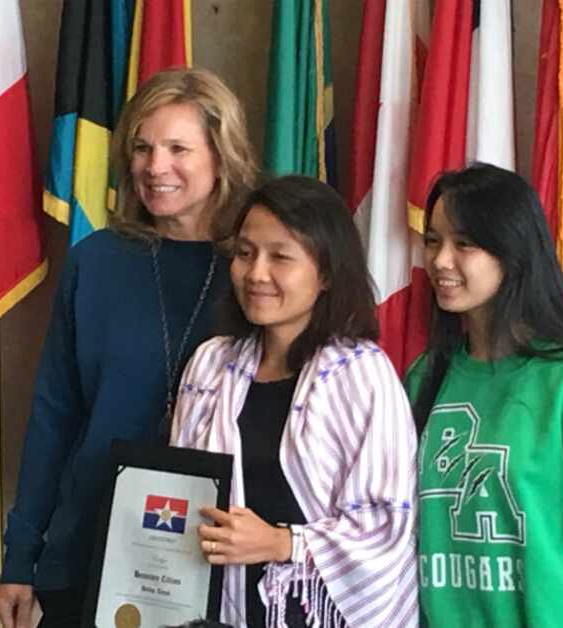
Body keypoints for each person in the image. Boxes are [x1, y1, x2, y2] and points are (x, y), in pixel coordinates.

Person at [0, 67, 258, 628]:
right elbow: (54, 416)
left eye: (177, 148)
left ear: (222, 155)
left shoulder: (259, 272)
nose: (154, 167)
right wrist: (20, 558)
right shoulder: (97, 261)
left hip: (214, 567)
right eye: (142, 147)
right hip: (85, 553)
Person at [407, 163, 563, 628]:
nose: (441, 260)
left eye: (464, 243)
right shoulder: (424, 376)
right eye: (433, 240)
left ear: (513, 252)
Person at [171, 176, 418, 628]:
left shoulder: (361, 374)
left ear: (325, 272)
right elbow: (179, 494)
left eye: (280, 257)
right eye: (245, 254)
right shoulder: (209, 365)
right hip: (215, 612)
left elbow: (388, 524)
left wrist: (281, 543)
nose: (256, 273)